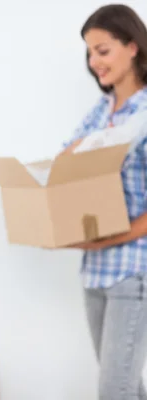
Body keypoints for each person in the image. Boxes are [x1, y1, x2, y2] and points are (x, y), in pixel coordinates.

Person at [64, 4, 147, 399]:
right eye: (90, 52)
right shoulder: (102, 111)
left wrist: (110, 238)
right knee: (127, 387)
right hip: (94, 268)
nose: (94, 61)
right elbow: (63, 163)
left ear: (132, 46)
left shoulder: (144, 113)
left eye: (103, 49)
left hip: (133, 269)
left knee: (115, 391)